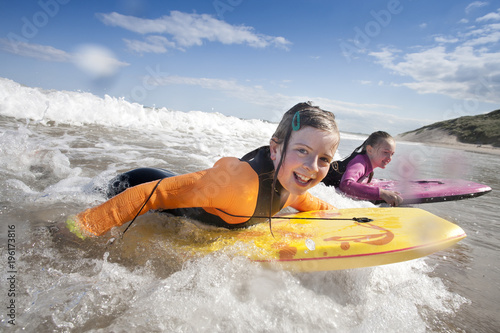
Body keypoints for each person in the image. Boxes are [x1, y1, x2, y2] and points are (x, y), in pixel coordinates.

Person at [66, 102, 340, 238]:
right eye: (302, 151)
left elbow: (305, 200)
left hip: (178, 184)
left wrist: (338, 214)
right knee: (81, 192)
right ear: (275, 149)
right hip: (137, 183)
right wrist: (80, 229)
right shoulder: (236, 187)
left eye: (324, 159)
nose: (311, 168)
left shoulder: (294, 183)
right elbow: (152, 194)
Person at [321, 131, 403, 206]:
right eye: (385, 152)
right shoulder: (360, 163)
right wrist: (382, 193)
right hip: (319, 187)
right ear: (370, 150)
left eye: (392, 154)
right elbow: (346, 184)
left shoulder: (366, 163)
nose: (389, 158)